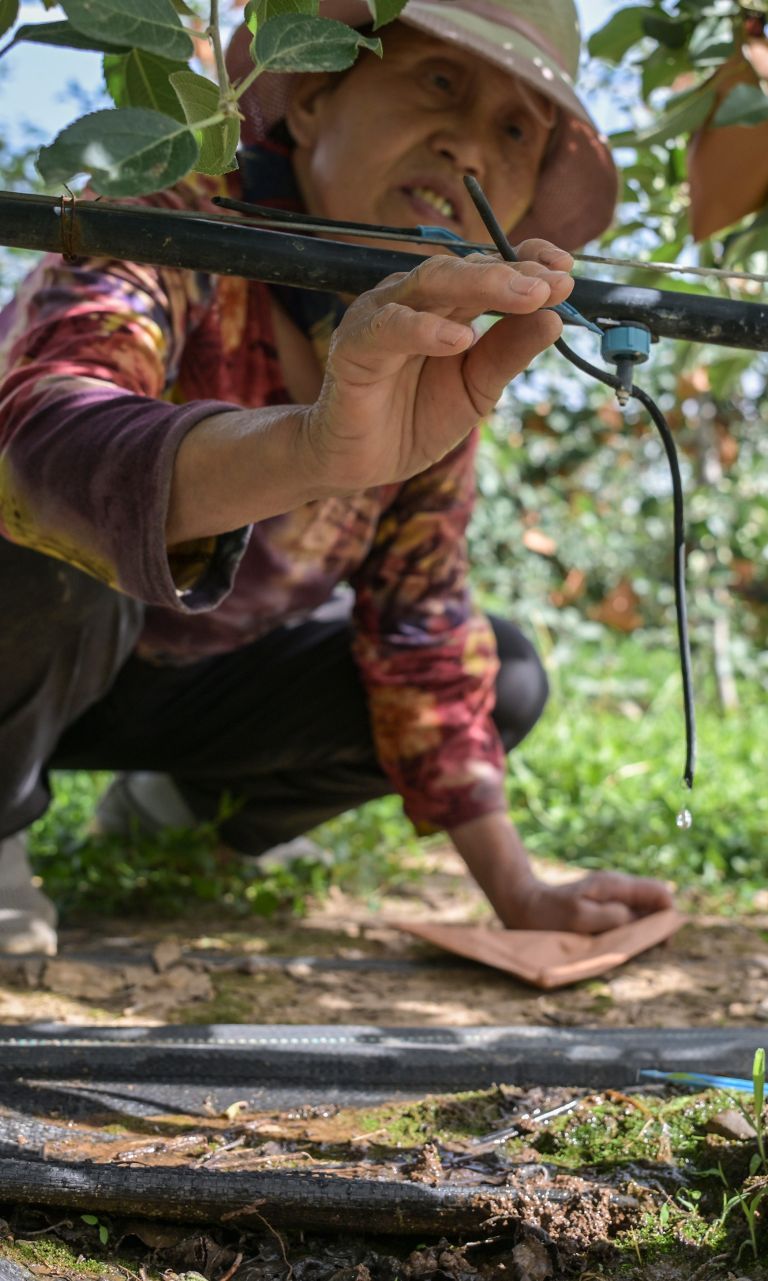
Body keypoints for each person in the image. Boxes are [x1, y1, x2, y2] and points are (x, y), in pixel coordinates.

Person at [0, 0, 673, 957]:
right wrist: (311, 449)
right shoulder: (169, 230)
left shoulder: (430, 364)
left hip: (176, 686)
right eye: (441, 81)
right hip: (25, 646)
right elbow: (48, 441)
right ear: (311, 99)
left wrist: (520, 892)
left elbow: (415, 621)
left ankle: (174, 812)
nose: (469, 146)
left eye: (517, 131)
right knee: (58, 513)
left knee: (503, 672)